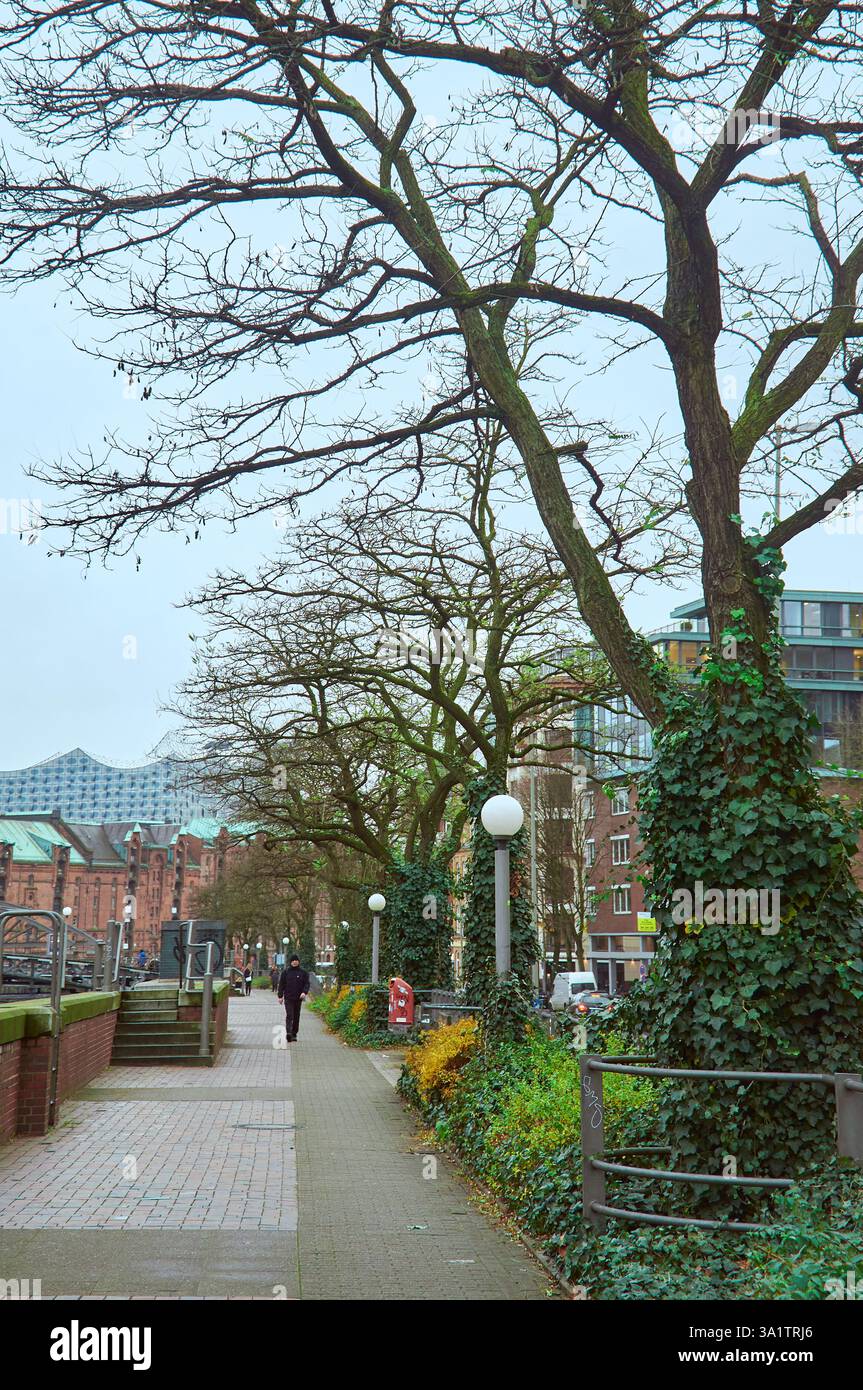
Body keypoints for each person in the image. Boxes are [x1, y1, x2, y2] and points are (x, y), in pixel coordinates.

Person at [277, 954, 310, 1042]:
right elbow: (281, 985)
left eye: (296, 960)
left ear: (298, 962)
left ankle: (294, 1033)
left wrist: (304, 992)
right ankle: (289, 1033)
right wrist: (280, 996)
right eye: (293, 960)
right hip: (288, 997)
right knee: (289, 1015)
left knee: (296, 1016)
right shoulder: (286, 972)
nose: (295, 962)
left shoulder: (303, 973)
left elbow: (307, 983)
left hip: (298, 998)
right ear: (290, 962)